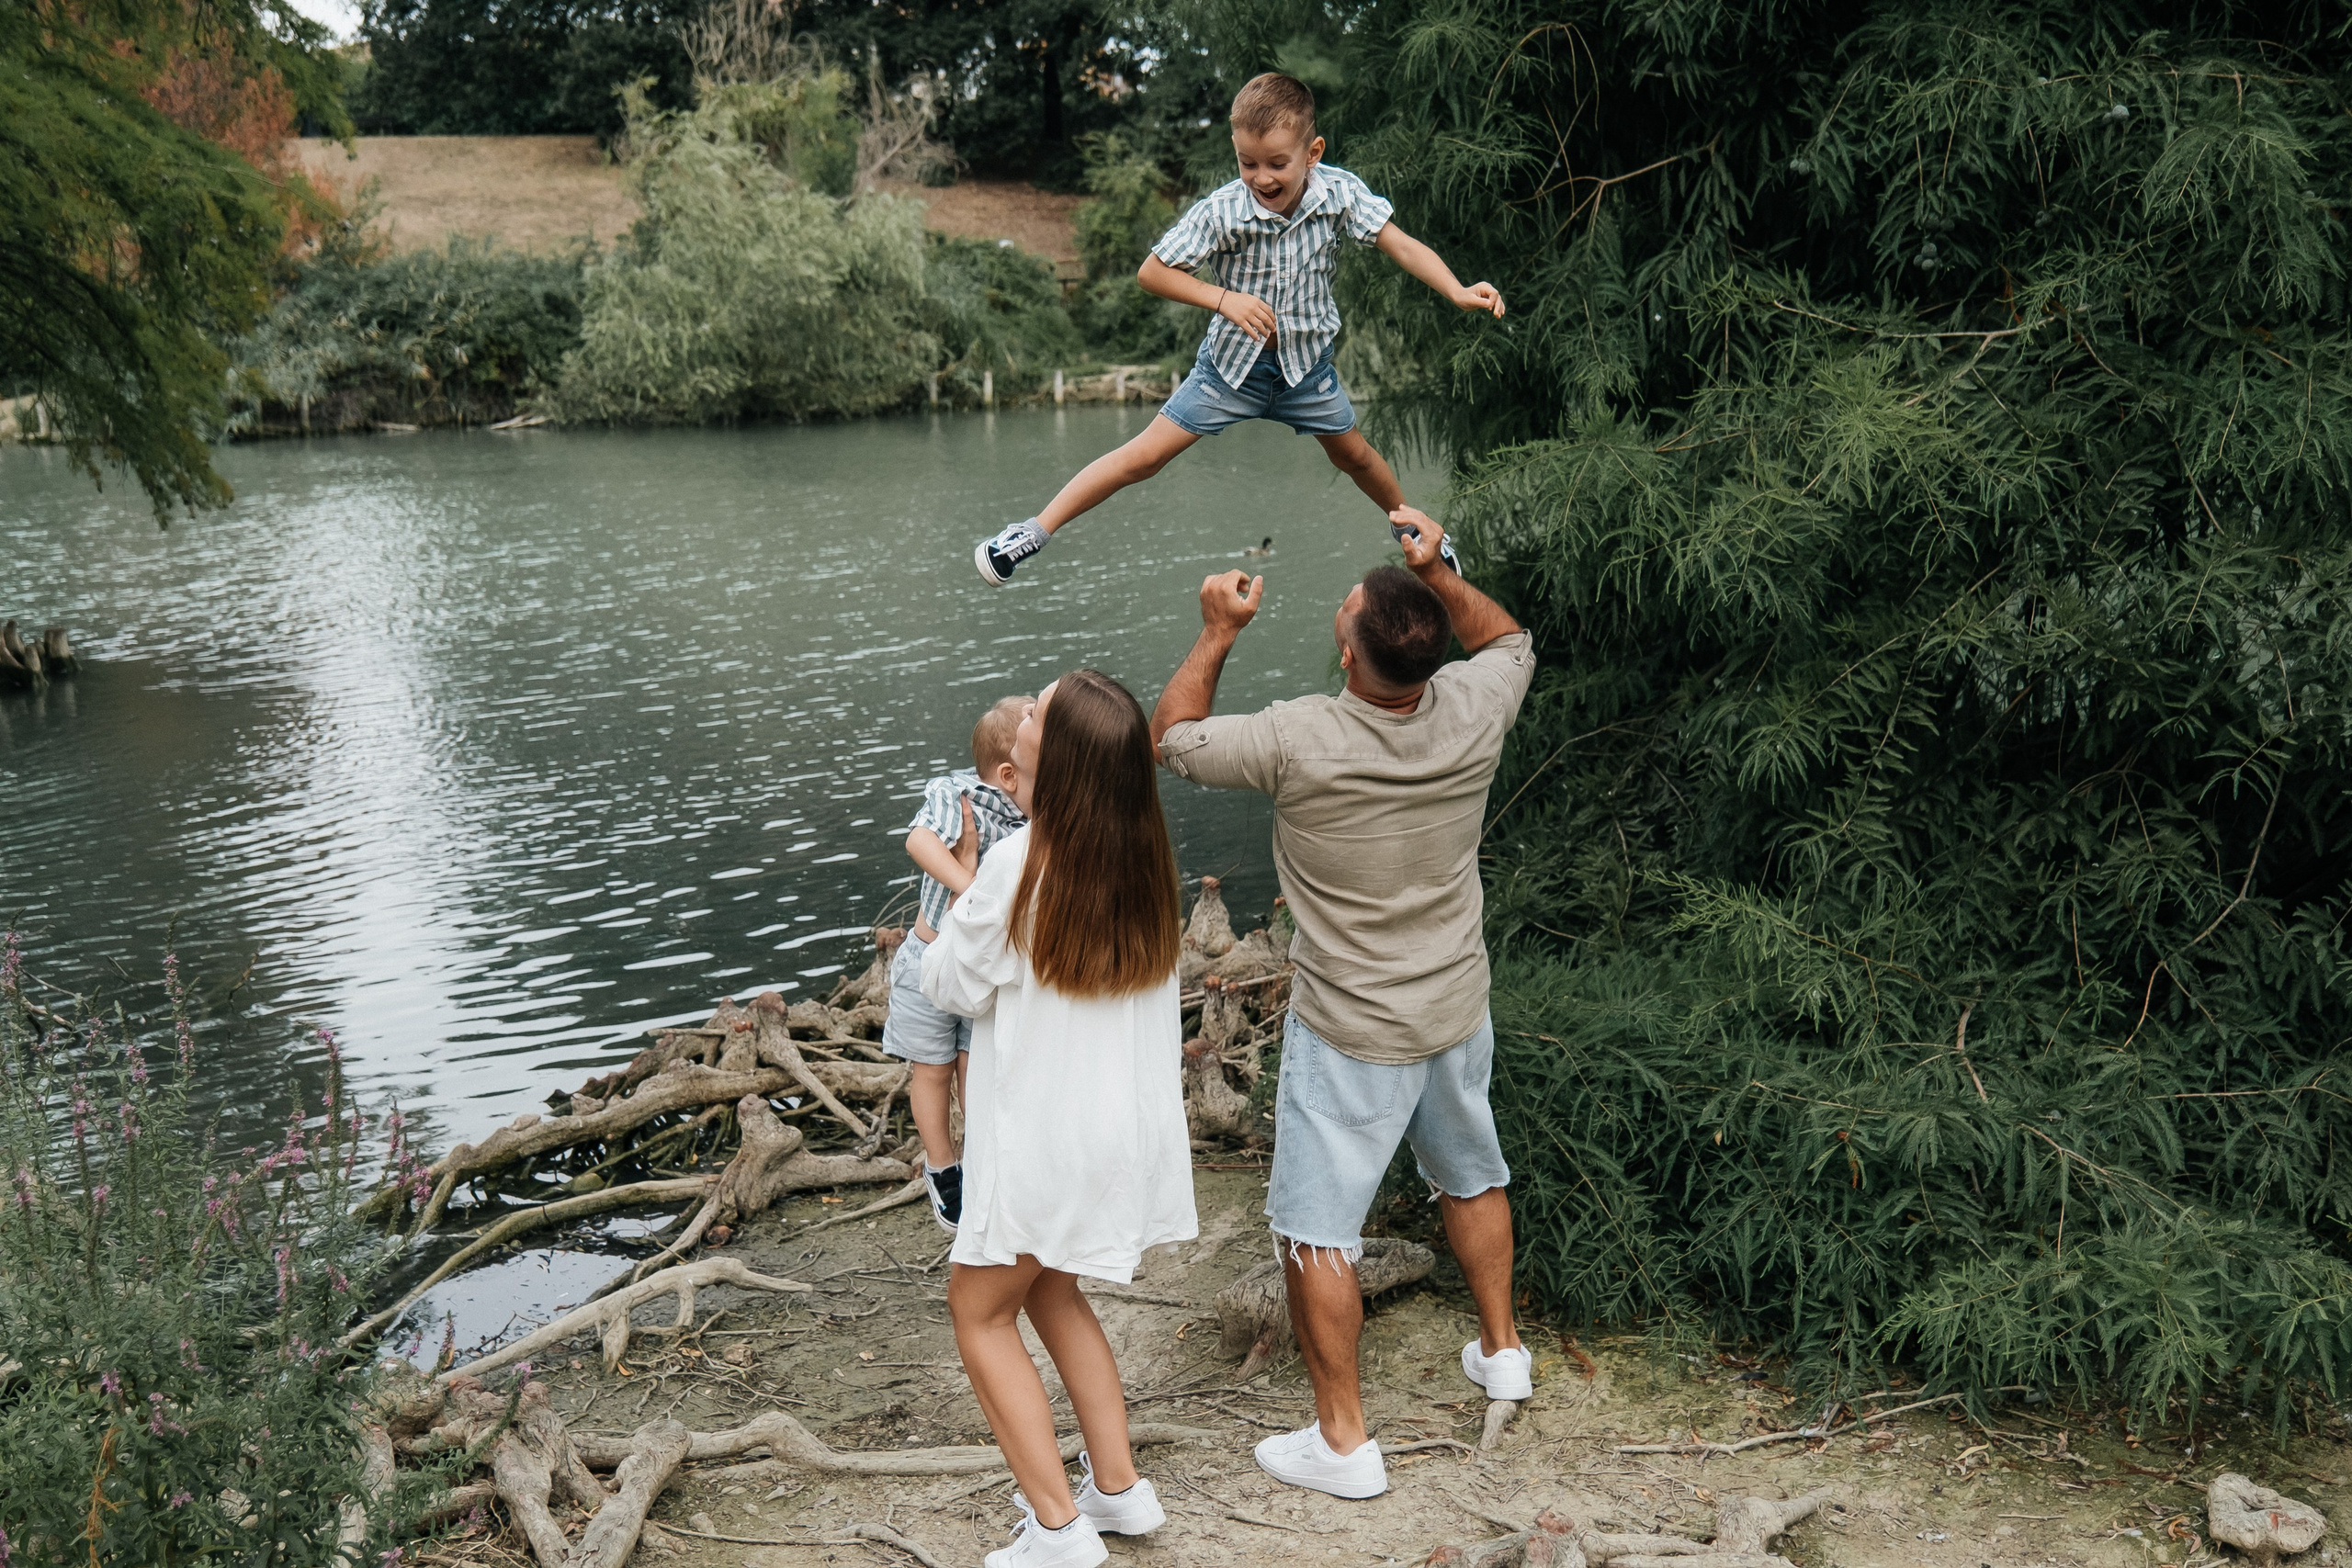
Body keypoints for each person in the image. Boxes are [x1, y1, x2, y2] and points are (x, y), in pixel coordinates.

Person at [1150, 510, 1536, 1500]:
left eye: (1351, 605)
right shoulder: (1473, 705)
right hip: (1452, 1002)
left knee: (1316, 1230)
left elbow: (1174, 739)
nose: (1346, 601)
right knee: (1471, 1173)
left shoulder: (1299, 737)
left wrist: (1216, 631)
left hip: (1353, 1027)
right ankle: (1501, 1352)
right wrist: (1442, 567)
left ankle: (1343, 1443)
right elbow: (1508, 638)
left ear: (1353, 658)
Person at [972, 72, 1503, 586]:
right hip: (1230, 370)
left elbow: (1401, 243)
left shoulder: (1339, 194)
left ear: (1312, 153)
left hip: (1306, 370)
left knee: (1356, 456)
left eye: (1277, 163)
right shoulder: (1223, 210)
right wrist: (1223, 299)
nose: (1262, 178)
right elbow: (1152, 272)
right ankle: (1032, 531)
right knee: (1145, 456)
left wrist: (1456, 290)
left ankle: (1418, 528)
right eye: (1248, 162)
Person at [922, 671, 1198, 1568]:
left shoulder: (1019, 861)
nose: (1024, 715)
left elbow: (957, 986)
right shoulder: (1143, 858)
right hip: (1116, 1130)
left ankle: (1056, 1528)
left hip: (1044, 1136)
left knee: (978, 1312)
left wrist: (938, 936)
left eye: (1037, 711)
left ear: (1058, 756)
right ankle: (1117, 1490)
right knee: (1047, 1287)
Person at [883, 694, 1029, 1231]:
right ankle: (941, 1166)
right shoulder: (957, 794)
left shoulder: (1036, 811)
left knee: (976, 1066)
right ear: (1008, 768)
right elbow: (919, 841)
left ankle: (983, 1160)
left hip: (983, 968)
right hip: (930, 959)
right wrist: (971, 889)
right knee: (933, 1069)